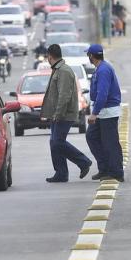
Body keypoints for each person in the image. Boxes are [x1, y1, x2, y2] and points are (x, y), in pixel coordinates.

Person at [40, 44, 92, 183]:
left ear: (50, 56)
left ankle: (84, 162)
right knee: (54, 142)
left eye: (47, 57)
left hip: (64, 114)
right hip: (58, 113)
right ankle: (61, 173)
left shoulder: (63, 71)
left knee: (57, 142)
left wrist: (58, 113)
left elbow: (64, 95)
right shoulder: (58, 69)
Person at [85, 44, 124, 182]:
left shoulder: (103, 70)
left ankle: (117, 172)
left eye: (88, 55)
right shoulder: (100, 69)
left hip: (107, 112)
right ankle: (105, 168)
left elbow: (103, 94)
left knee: (110, 143)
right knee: (92, 137)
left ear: (91, 56)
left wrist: (94, 113)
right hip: (103, 111)